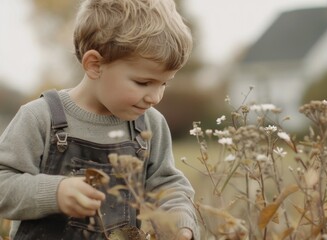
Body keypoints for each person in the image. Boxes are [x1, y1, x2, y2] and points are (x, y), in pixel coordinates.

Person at [0, 0, 199, 239]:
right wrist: (54, 192)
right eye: (143, 83)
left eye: (164, 83)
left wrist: (178, 224)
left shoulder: (150, 125)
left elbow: (166, 185)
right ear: (95, 65)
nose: (155, 97)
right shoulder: (40, 117)